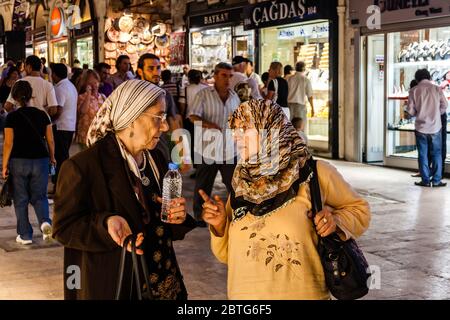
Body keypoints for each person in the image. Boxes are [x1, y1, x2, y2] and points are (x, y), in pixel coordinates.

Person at [200, 99, 371, 299]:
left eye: (245, 130)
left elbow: (360, 210)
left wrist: (337, 222)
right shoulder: (242, 182)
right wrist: (220, 226)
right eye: (234, 132)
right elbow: (228, 255)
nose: (237, 138)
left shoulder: (313, 173)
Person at [53, 80, 195, 300]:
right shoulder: (83, 166)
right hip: (117, 281)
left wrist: (178, 217)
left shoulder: (156, 156)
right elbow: (64, 227)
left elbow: (160, 216)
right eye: (158, 117)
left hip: (163, 280)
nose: (165, 126)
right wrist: (105, 223)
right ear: (131, 118)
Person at [2, 81, 56, 245]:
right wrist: (52, 157)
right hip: (40, 159)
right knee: (40, 196)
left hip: (19, 161)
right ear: (32, 94)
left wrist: (4, 165)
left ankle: (25, 235)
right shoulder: (42, 115)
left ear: (15, 97)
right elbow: (50, 139)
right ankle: (45, 222)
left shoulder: (11, 117)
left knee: (21, 198)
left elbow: (9, 143)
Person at [188, 62, 240, 227]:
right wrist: (209, 125)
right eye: (224, 75)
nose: (227, 79)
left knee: (235, 184)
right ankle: (198, 215)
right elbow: (192, 116)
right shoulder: (203, 95)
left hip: (229, 150)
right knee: (203, 185)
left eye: (230, 76)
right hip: (208, 149)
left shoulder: (234, 97)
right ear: (215, 76)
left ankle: (237, 212)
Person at [406, 69, 447, 187]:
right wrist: (436, 114)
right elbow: (445, 105)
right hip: (436, 126)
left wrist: (417, 114)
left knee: (423, 154)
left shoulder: (414, 90)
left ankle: (425, 180)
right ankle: (436, 180)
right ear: (429, 77)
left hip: (420, 127)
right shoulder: (437, 89)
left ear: (417, 78)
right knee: (437, 153)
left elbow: (410, 111)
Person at [49, 63, 78, 191]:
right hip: (69, 126)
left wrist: (49, 121)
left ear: (54, 74)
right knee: (63, 156)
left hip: (60, 126)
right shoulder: (71, 86)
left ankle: (60, 186)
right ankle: (63, 185)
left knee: (60, 158)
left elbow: (58, 110)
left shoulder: (60, 88)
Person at [136, 53, 182, 131]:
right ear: (140, 71)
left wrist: (179, 142)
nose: (156, 73)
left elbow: (173, 122)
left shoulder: (165, 94)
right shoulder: (133, 94)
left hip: (161, 141)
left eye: (158, 68)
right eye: (151, 68)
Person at [75, 70, 106, 148]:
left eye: (96, 82)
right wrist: (88, 94)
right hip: (85, 135)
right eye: (91, 83)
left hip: (100, 136)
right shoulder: (82, 97)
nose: (94, 85)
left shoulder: (102, 97)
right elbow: (82, 112)